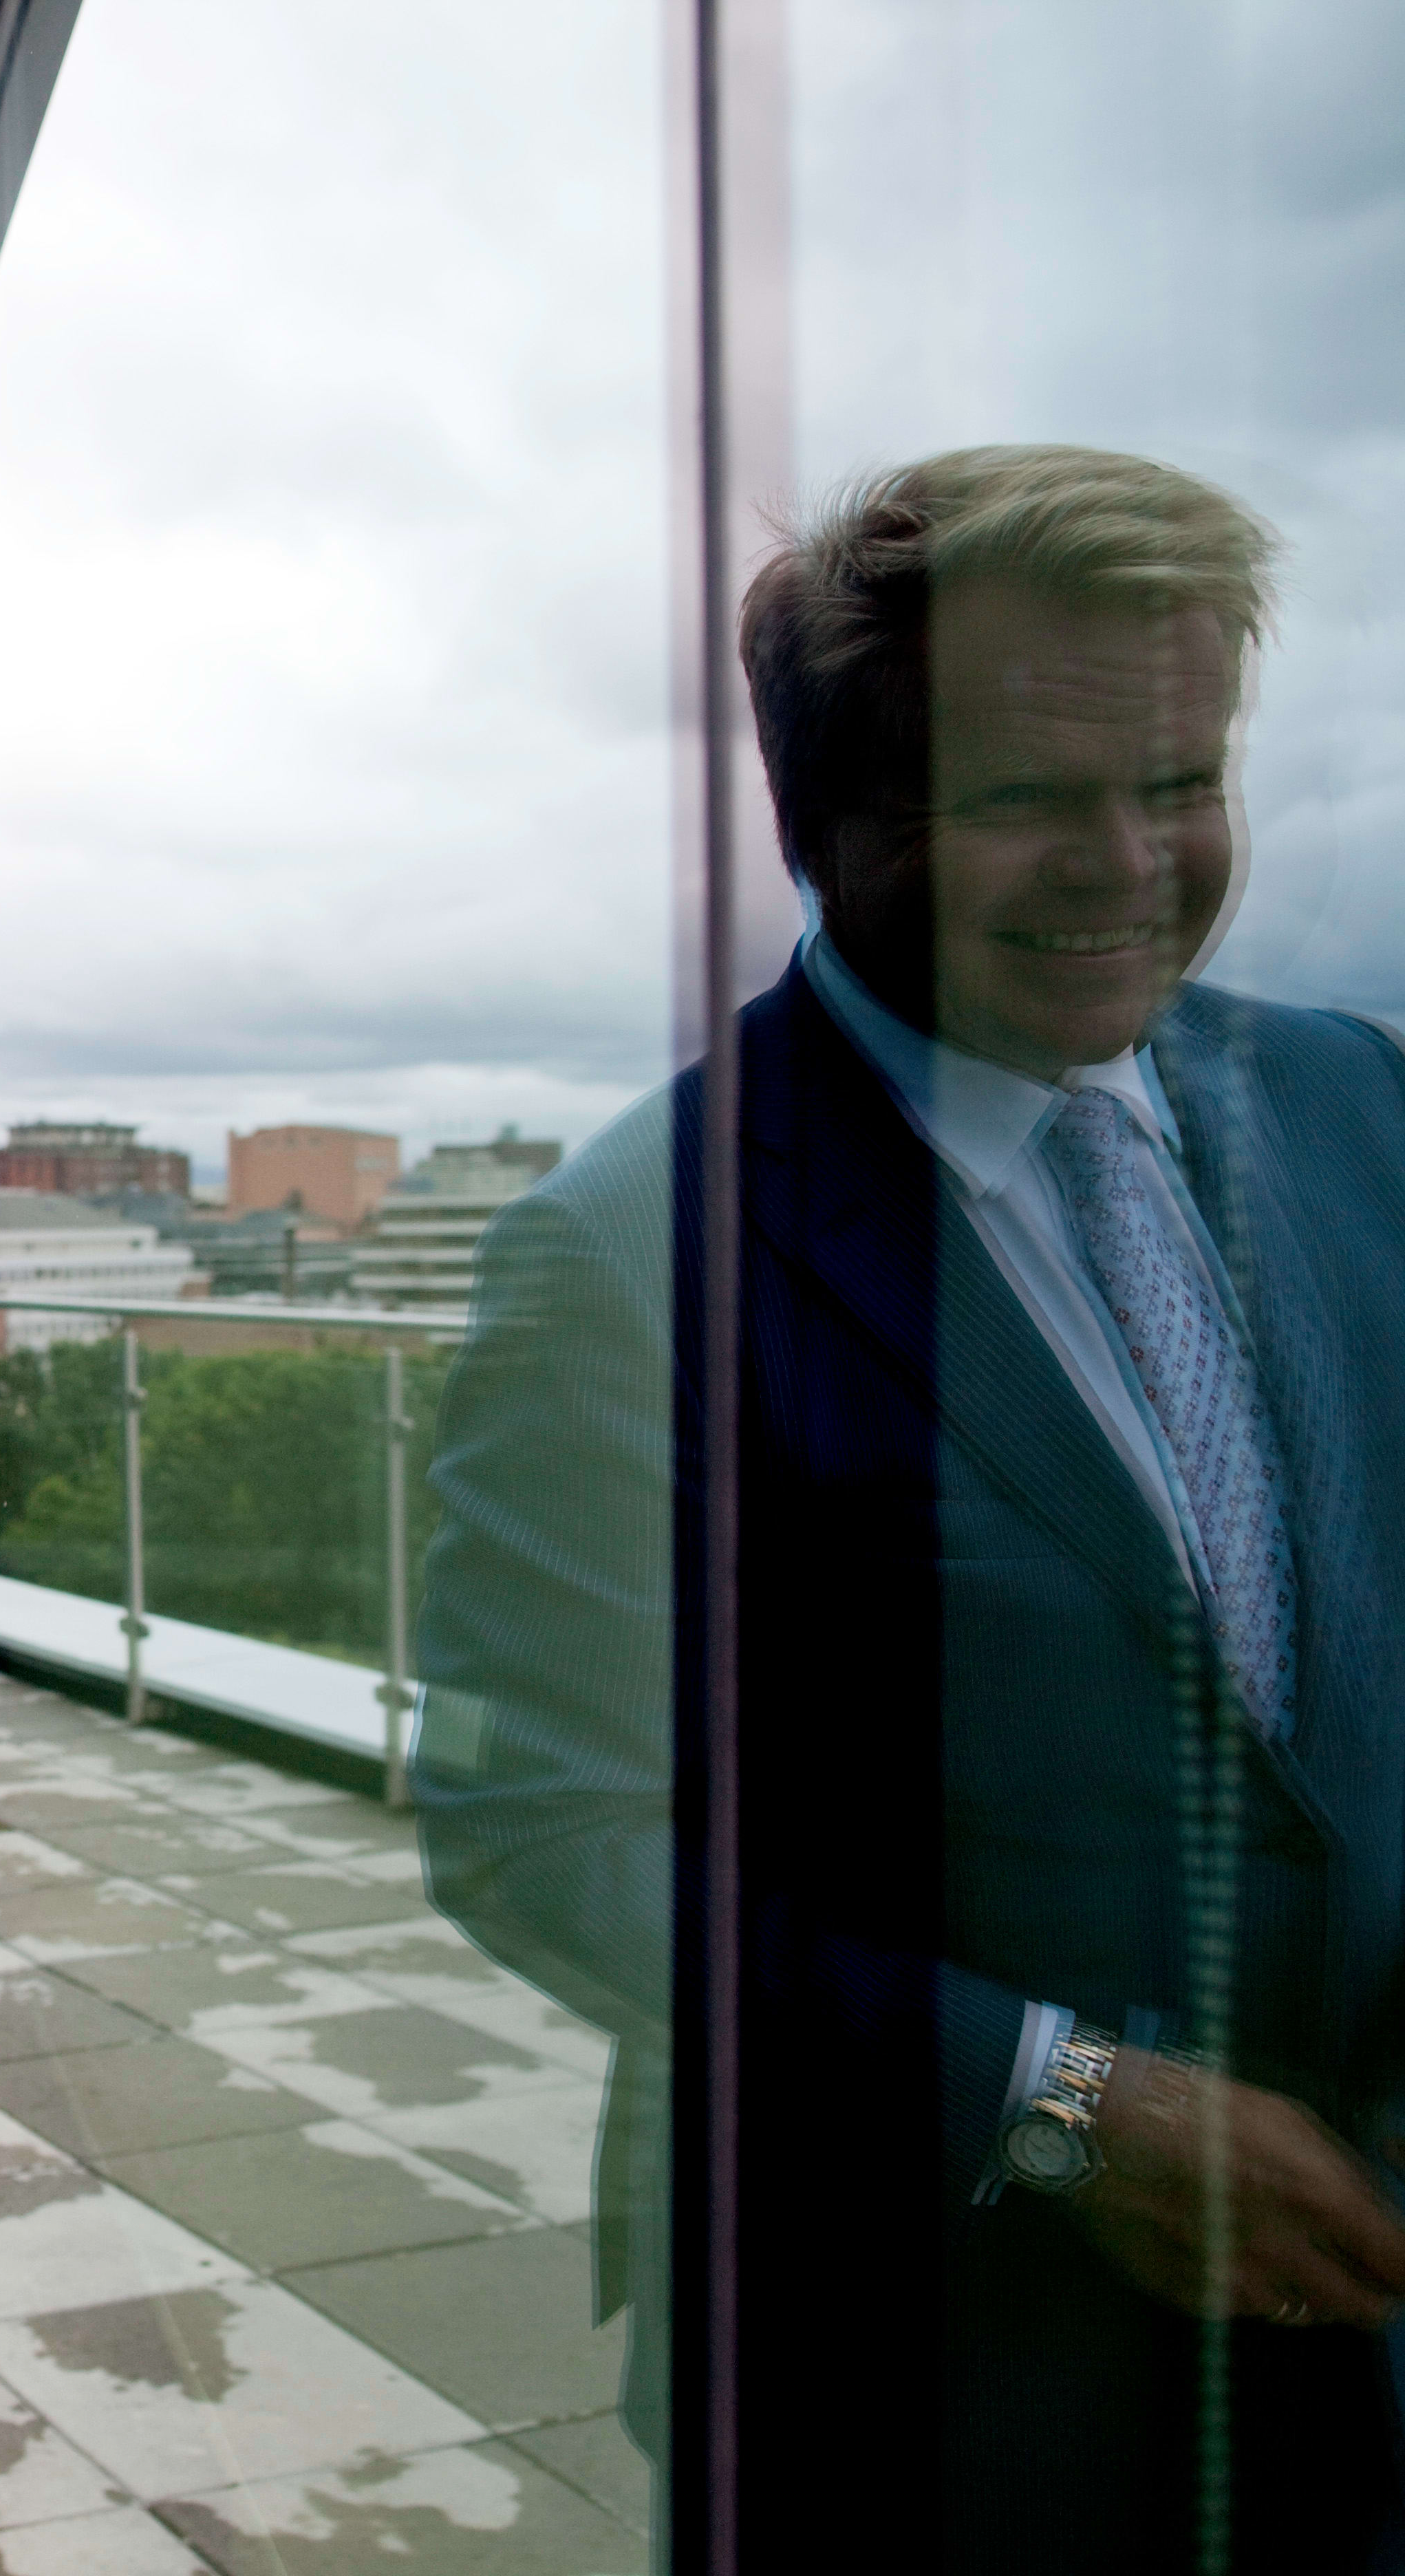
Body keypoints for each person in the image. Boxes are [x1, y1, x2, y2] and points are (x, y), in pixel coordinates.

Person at [416, 444, 1405, 2566]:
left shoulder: (1358, 1101)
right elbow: (541, 1830)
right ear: (817, 824)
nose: (1127, 865)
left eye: (1182, 780)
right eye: (1029, 798)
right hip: (931, 2373)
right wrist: (1060, 2107)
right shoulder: (629, 1253)